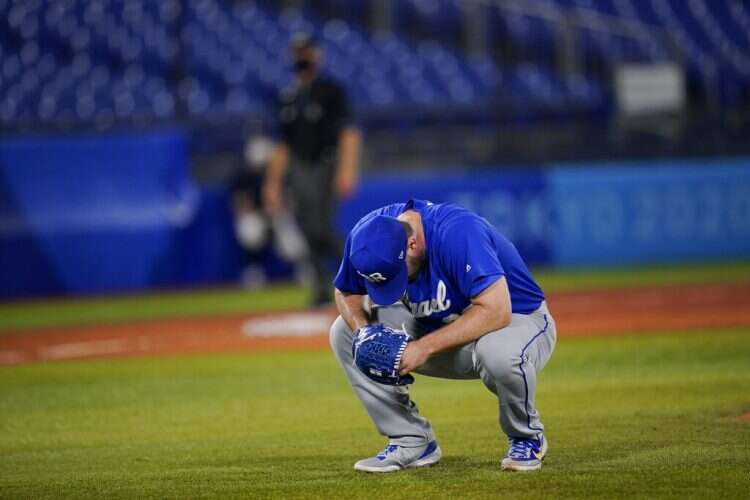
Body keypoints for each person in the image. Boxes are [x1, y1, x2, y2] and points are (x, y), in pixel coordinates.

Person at [330, 199, 557, 472]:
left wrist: (423, 348)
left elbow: (497, 310)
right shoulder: (366, 236)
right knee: (344, 333)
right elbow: (345, 291)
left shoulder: (458, 231)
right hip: (439, 325)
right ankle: (410, 439)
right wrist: (363, 331)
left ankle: (525, 435)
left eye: (397, 275)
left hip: (518, 323)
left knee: (497, 353)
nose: (394, 286)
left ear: (411, 244)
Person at [262, 33, 361, 307]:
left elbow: (349, 133)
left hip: (326, 165)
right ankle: (320, 285)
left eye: (306, 52)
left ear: (317, 55)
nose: (302, 58)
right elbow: (282, 144)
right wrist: (272, 183)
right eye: (298, 52)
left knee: (320, 227)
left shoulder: (331, 91)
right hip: (299, 169)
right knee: (306, 230)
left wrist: (347, 170)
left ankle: (363, 270)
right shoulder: (287, 97)